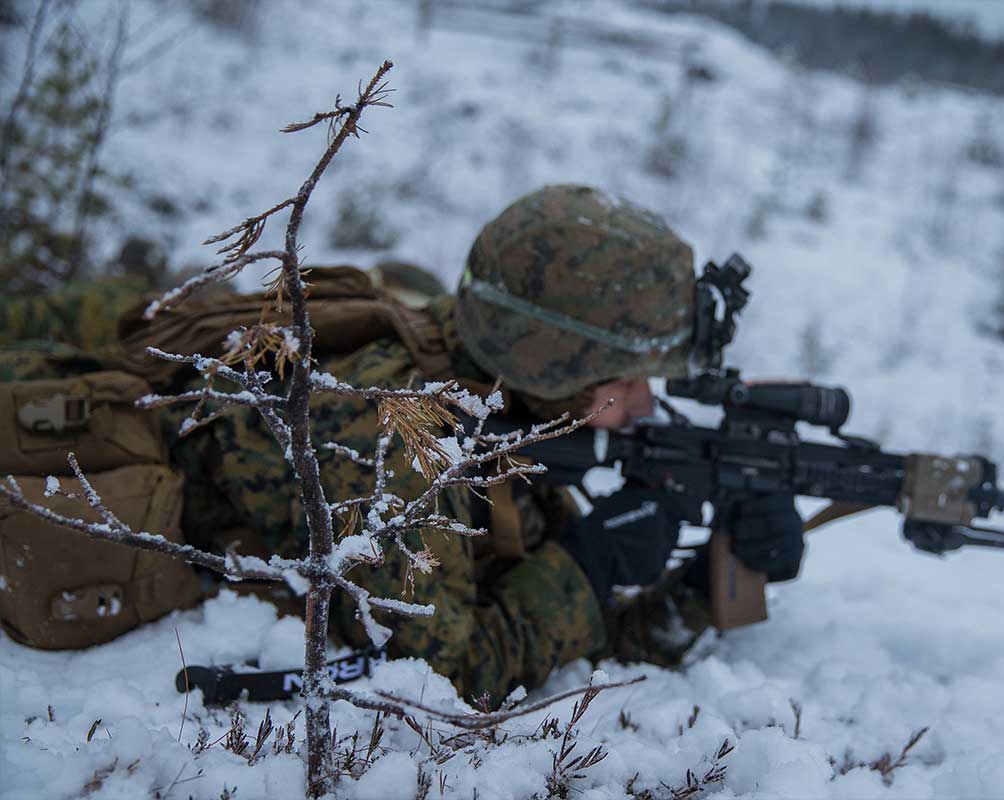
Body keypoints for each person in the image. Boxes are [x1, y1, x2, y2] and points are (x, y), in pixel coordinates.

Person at [0, 185, 804, 703]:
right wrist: (588, 567)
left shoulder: (492, 397)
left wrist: (702, 585)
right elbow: (451, 679)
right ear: (560, 367)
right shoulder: (386, 438)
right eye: (632, 376)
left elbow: (556, 635)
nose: (648, 401)